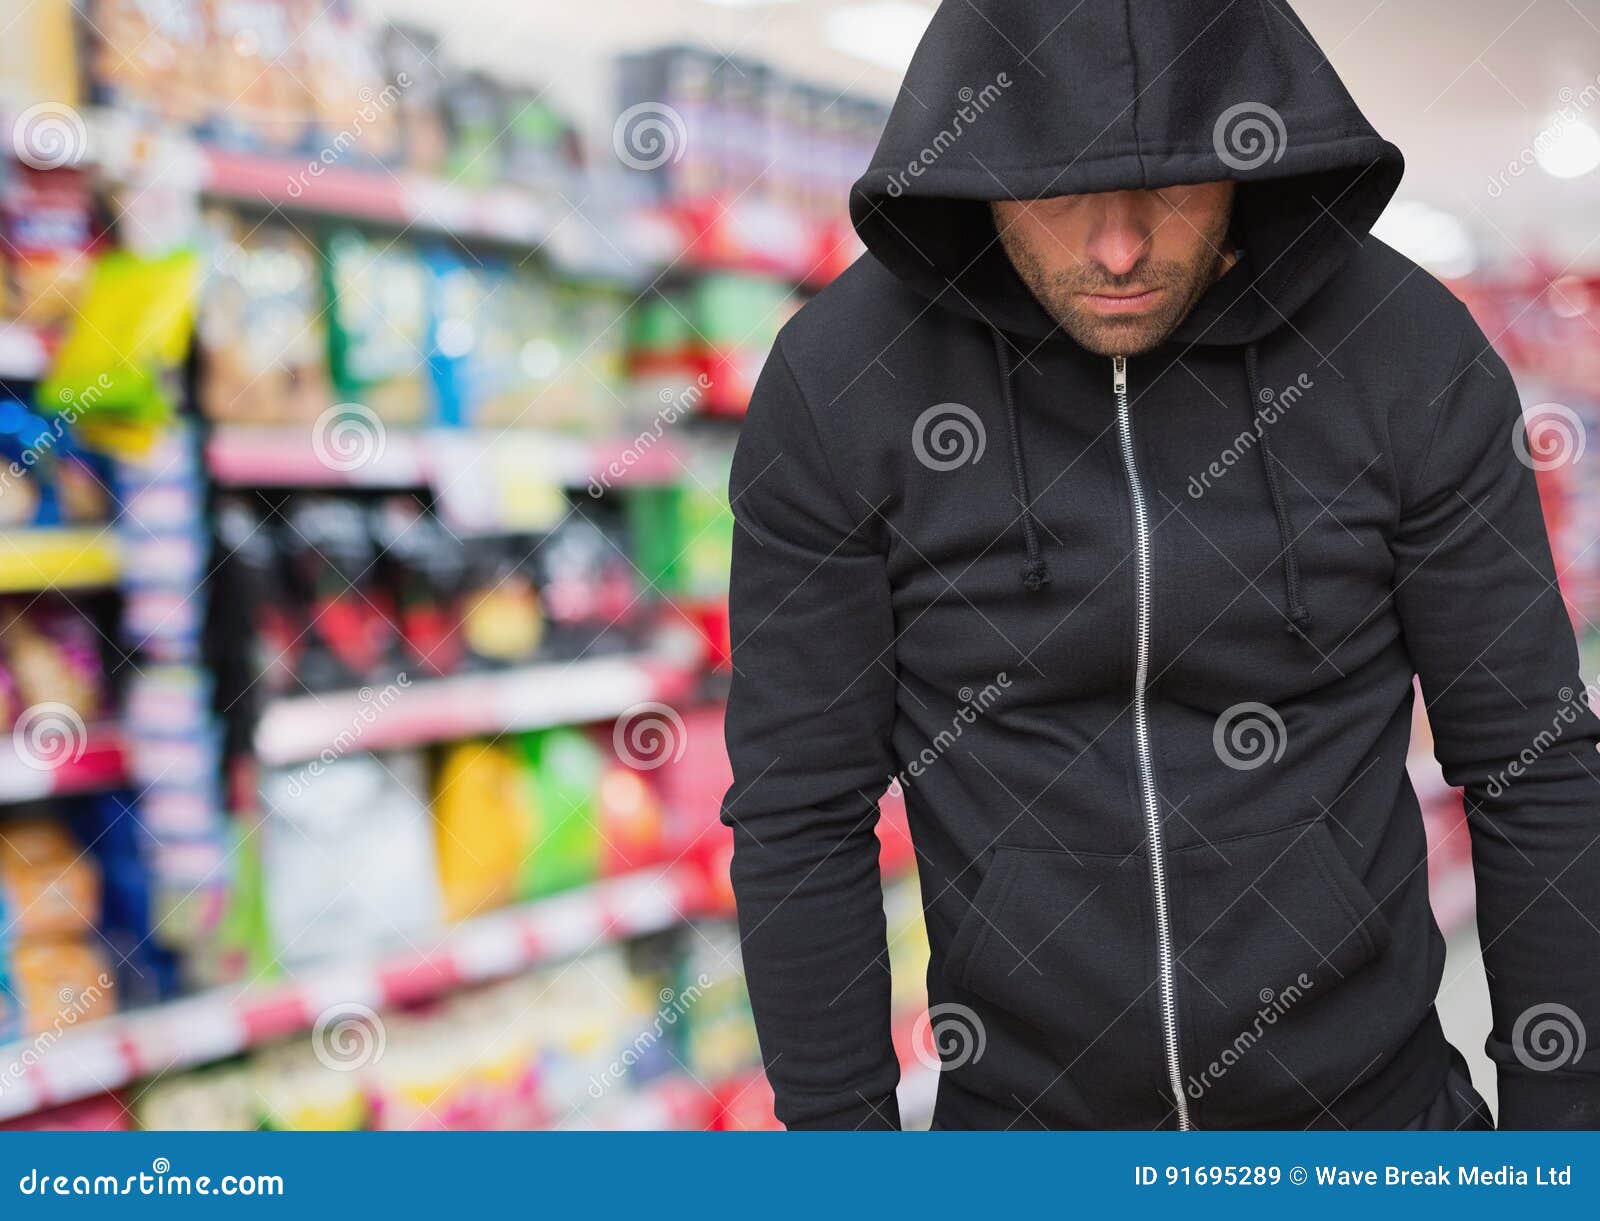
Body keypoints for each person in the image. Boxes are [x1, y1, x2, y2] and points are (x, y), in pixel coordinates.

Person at [720, 0, 1600, 1130]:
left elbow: (1530, 765)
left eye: (1171, 186)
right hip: (1026, 1141)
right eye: (1061, 190)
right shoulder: (843, 380)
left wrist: (1558, 1142)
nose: (1120, 248)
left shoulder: (1406, 352)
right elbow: (801, 806)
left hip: (1373, 1131)